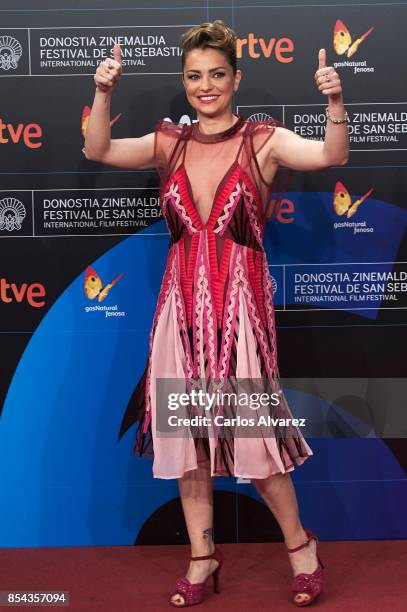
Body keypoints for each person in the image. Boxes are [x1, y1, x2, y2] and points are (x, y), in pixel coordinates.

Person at [85, 20, 349, 608]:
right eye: (194, 76)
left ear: (237, 78)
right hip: (179, 319)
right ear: (185, 81)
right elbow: (97, 148)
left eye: (217, 75)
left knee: (257, 447)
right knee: (188, 447)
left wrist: (334, 100)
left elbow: (331, 154)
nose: (206, 86)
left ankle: (302, 549)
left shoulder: (263, 141)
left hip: (241, 320)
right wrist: (103, 94)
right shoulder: (167, 143)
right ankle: (203, 558)